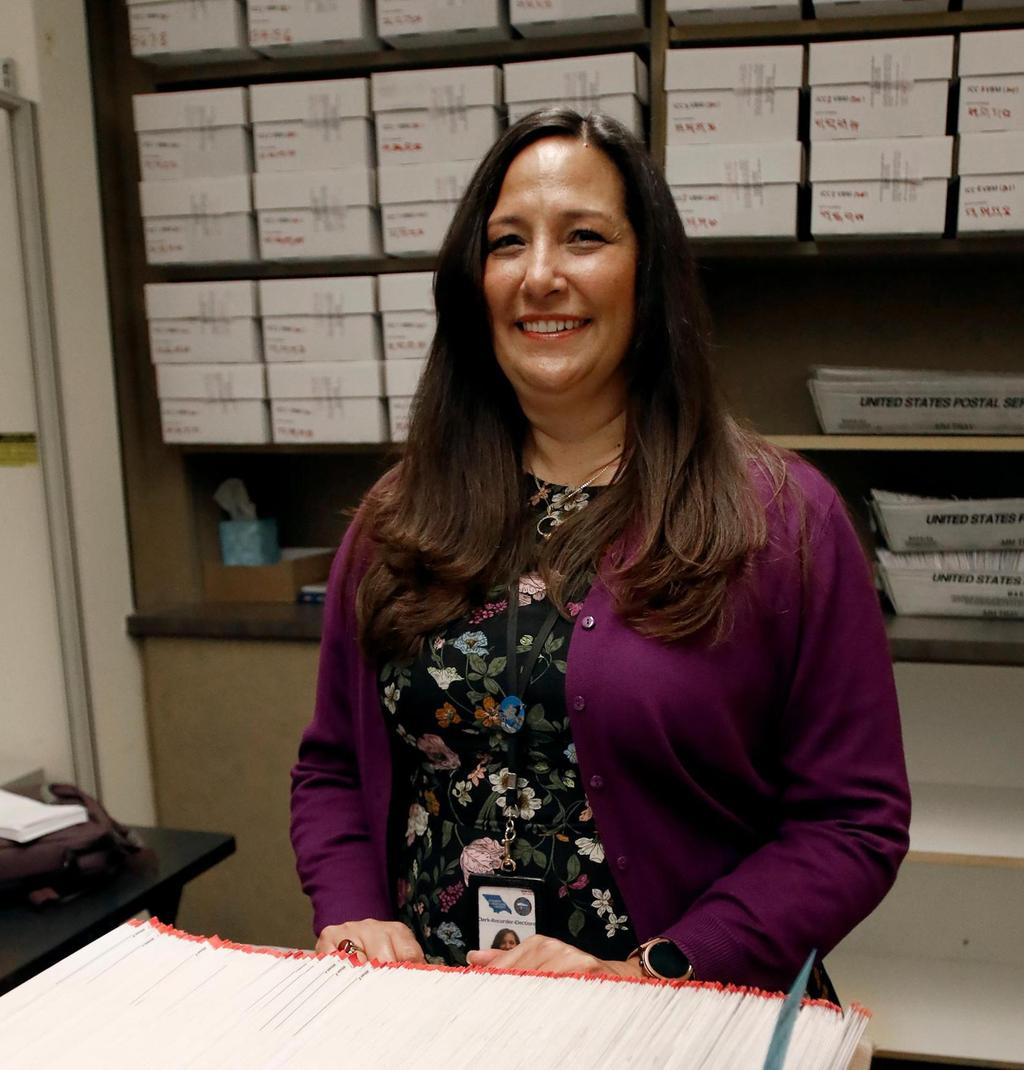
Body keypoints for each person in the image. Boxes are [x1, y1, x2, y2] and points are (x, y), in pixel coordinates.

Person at [290, 108, 910, 993]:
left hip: (678, 1020)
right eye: (508, 243)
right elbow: (333, 766)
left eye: (583, 237)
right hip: (436, 1014)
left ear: (648, 273)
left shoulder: (781, 520)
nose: (541, 276)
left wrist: (658, 968)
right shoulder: (399, 517)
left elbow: (852, 823)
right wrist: (355, 914)